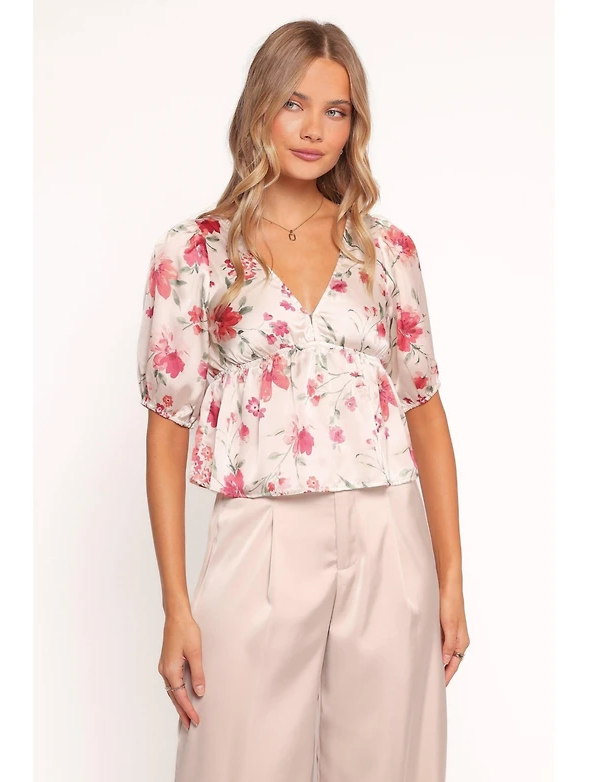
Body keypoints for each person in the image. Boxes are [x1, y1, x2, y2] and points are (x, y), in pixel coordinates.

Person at [136, 19, 469, 782]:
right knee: (233, 759)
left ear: (354, 125)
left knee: (389, 764)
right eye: (295, 103)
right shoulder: (195, 252)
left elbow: (425, 412)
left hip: (387, 531)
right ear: (260, 107)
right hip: (260, 530)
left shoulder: (386, 251)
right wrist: (177, 605)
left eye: (336, 110)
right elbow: (166, 430)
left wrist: (451, 581)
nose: (315, 129)